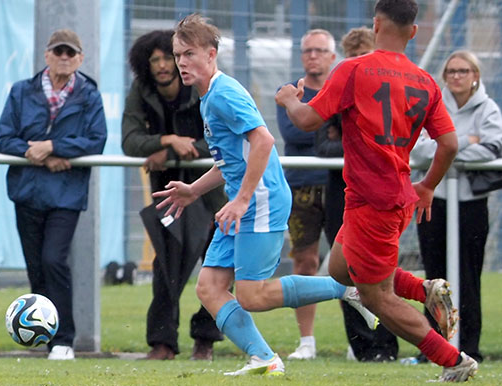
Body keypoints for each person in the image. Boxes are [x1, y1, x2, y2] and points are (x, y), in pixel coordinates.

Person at [154, 13, 377, 377]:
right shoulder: (209, 97)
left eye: (189, 54)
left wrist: (241, 199)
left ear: (211, 55)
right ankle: (264, 358)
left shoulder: (224, 93)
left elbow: (264, 141)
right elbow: (231, 160)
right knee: (210, 289)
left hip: (260, 202)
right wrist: (193, 190)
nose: (181, 62)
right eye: (178, 54)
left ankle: (349, 290)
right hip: (243, 203)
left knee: (252, 295)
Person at [276, 0, 479, 382]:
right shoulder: (425, 81)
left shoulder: (353, 69)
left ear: (376, 24)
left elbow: (305, 120)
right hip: (389, 194)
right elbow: (449, 143)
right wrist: (428, 186)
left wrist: (289, 98)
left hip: (376, 201)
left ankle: (453, 361)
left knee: (376, 297)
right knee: (339, 270)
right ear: (414, 31)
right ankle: (425, 288)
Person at [0, 29, 107, 360]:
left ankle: (64, 339)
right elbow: (3, 139)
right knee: (36, 267)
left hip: (65, 195)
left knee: (53, 260)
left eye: (70, 53)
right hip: (28, 190)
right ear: (46, 55)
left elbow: (96, 140)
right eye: (58, 51)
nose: (64, 57)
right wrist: (35, 152)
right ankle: (43, 337)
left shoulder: (90, 96)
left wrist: (54, 148)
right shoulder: (20, 92)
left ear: (80, 59)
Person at [121, 29, 225, 361]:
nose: (164, 65)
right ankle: (162, 344)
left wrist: (188, 147)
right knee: (165, 267)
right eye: (156, 60)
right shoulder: (141, 90)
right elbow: (129, 141)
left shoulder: (205, 86)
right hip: (167, 193)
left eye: (170, 57)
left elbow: (227, 139)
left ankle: (205, 340)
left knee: (218, 267)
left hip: (210, 193)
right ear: (145, 65)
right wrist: (166, 142)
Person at [411, 50, 502, 364]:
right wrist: (467, 141)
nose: (456, 76)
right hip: (433, 201)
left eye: (463, 70)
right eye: (451, 71)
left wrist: (448, 145)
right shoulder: (432, 107)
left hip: (471, 205)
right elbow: (419, 151)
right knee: (433, 279)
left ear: (475, 75)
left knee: (467, 277)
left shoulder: (488, 109)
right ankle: (432, 349)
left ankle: (468, 348)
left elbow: (492, 149)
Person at [315, 26, 399, 362]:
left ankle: (387, 344)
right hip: (344, 192)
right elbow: (322, 145)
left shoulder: (390, 93)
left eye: (361, 59)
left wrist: (350, 141)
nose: (356, 68)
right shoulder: (338, 92)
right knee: (345, 272)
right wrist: (356, 145)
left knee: (379, 273)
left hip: (380, 194)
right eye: (351, 60)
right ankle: (363, 347)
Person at [275, 29, 336, 360]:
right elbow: (294, 131)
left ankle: (360, 341)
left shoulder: (340, 89)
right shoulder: (288, 91)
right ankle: (307, 341)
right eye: (308, 50)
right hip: (300, 187)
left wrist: (307, 115)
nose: (313, 55)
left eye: (320, 50)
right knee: (304, 261)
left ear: (332, 57)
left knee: (351, 263)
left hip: (339, 185)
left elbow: (317, 130)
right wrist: (325, 125)